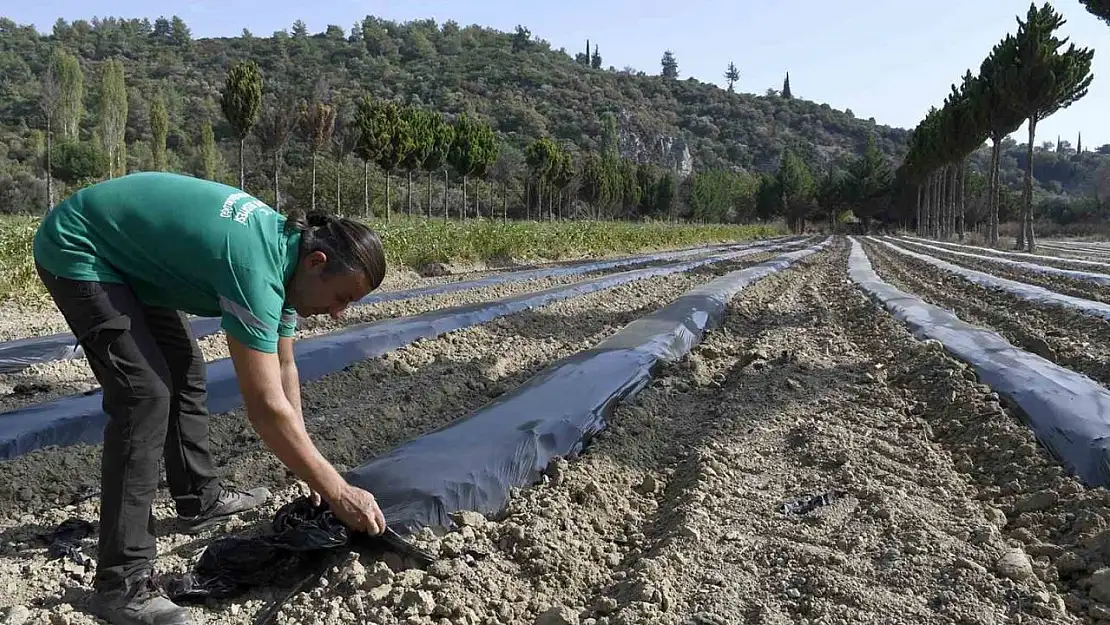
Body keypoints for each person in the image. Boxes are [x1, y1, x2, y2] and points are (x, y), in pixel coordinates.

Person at [32, 171, 390, 625]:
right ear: (318, 261)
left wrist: (311, 474)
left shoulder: (287, 257)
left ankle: (198, 502)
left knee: (185, 372)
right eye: (342, 297)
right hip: (82, 248)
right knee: (144, 396)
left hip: (132, 260)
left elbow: (284, 369)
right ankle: (120, 585)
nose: (339, 312)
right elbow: (264, 408)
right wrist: (337, 490)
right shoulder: (255, 271)